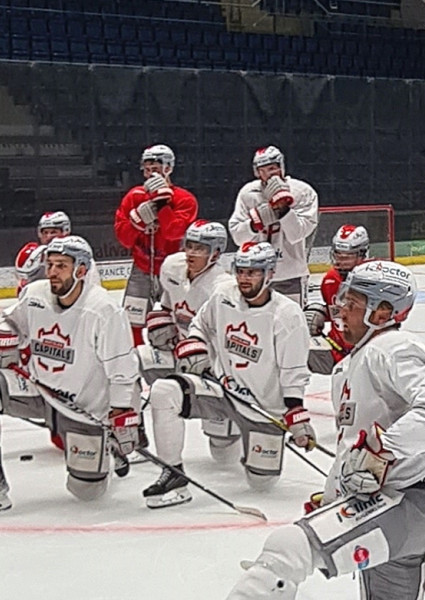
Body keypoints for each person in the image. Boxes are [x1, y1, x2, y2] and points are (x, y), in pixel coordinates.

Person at [229, 261, 425, 600]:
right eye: (342, 300)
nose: (340, 310)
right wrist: (333, 499)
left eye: (352, 304)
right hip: (391, 510)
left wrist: (383, 448)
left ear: (382, 313)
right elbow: (352, 448)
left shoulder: (393, 347)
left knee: (288, 549)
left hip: (403, 503)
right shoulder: (350, 365)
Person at [0, 236, 140, 516]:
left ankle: (108, 450)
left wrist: (122, 412)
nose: (52, 272)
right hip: (38, 391)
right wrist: (2, 338)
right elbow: (10, 321)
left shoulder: (103, 310)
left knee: (87, 493)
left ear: (82, 270)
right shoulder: (35, 294)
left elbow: (123, 369)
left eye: (61, 266)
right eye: (50, 264)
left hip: (83, 409)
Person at [145, 242, 309, 507]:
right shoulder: (223, 295)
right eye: (241, 271)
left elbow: (294, 372)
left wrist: (296, 413)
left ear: (269, 274)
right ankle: (174, 475)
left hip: (262, 407)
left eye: (253, 272)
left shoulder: (287, 315)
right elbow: (200, 323)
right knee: (165, 392)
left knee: (261, 483)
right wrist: (196, 347)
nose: (244, 278)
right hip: (222, 391)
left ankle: (237, 438)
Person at [115, 144, 200, 345]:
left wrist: (162, 205)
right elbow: (124, 239)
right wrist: (135, 223)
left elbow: (173, 232)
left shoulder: (184, 199)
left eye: (155, 168)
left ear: (168, 168)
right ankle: (134, 363)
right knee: (131, 321)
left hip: (175, 273)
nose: (150, 173)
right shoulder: (134, 196)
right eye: (147, 168)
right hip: (141, 269)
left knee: (181, 321)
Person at [140, 220, 236, 383]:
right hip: (180, 350)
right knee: (143, 358)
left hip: (210, 362)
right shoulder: (172, 266)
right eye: (189, 245)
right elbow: (167, 306)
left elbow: (229, 338)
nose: (191, 253)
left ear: (216, 253)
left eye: (200, 249)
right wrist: (162, 321)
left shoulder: (223, 289)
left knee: (193, 368)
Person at [228, 146, 319, 300]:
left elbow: (298, 233)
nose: (269, 174)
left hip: (290, 275)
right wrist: (254, 224)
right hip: (254, 273)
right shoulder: (248, 193)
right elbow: (238, 237)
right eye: (262, 170)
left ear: (281, 167)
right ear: (257, 172)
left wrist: (284, 209)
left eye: (272, 168)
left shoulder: (302, 191)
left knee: (292, 322)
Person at [305, 224, 371, 375]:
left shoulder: (374, 281)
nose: (340, 261)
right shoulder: (330, 279)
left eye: (347, 257)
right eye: (338, 255)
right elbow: (334, 309)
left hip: (366, 353)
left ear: (362, 255)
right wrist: (319, 312)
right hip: (336, 350)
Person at [14, 211, 71, 291]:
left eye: (53, 232)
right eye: (45, 232)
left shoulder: (77, 253)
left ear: (65, 231)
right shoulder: (34, 255)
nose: (48, 237)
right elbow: (23, 286)